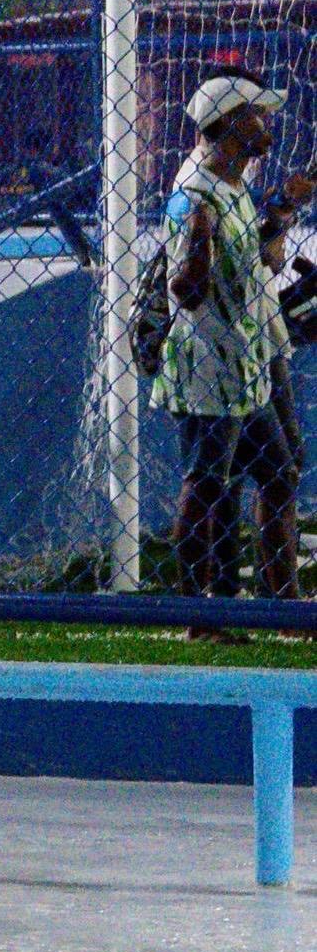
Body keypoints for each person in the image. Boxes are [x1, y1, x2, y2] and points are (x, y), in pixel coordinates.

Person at [154, 75, 309, 625]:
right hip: (209, 364)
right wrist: (198, 246)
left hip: (244, 362)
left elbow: (253, 259)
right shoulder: (193, 194)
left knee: (279, 472)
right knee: (204, 483)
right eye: (254, 115)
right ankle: (197, 615)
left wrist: (282, 213)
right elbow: (186, 289)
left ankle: (278, 606)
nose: (265, 124)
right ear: (226, 123)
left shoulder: (233, 184)